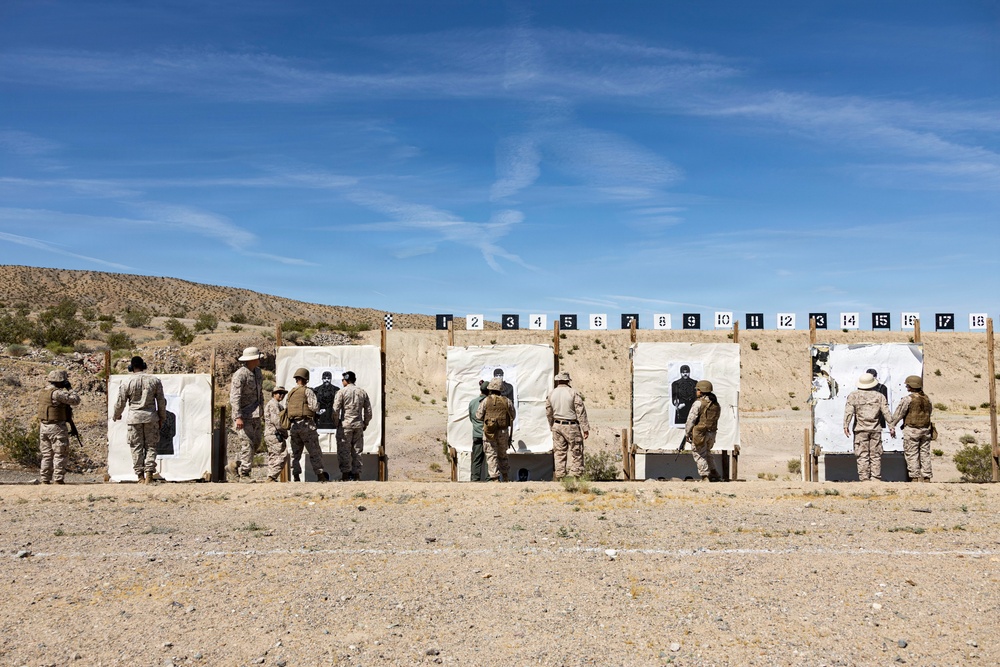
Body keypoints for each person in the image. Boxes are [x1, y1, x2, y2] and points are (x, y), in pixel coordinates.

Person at [113, 356, 167, 484]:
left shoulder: (127, 382)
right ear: (143, 365)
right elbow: (161, 402)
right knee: (151, 446)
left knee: (136, 447)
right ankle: (149, 472)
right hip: (151, 418)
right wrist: (162, 417)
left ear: (131, 367)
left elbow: (120, 402)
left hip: (134, 419)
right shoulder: (154, 381)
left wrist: (116, 415)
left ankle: (140, 476)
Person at [844, 372, 895, 481]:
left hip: (860, 430)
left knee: (862, 455)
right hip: (875, 429)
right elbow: (886, 412)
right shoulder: (879, 396)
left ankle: (864, 479)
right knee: (875, 455)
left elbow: (849, 412)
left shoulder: (853, 395)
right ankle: (875, 478)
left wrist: (846, 425)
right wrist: (891, 426)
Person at [286, 368, 330, 482]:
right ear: (306, 379)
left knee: (296, 454)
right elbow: (314, 407)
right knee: (314, 451)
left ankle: (296, 476)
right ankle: (320, 475)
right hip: (306, 425)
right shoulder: (307, 391)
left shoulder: (290, 393)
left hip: (294, 426)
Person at [37, 369, 80, 485]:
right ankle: (58, 479)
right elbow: (76, 400)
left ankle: (45, 479)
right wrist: (70, 388)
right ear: (60, 381)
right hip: (56, 427)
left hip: (44, 427)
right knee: (60, 453)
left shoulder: (42, 392)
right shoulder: (57, 393)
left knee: (46, 455)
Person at [545, 371, 590, 480]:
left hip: (557, 425)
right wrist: (585, 428)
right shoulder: (572, 393)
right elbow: (580, 411)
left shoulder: (551, 394)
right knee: (576, 451)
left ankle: (560, 477)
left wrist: (552, 425)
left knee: (559, 453)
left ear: (558, 380)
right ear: (567, 380)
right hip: (571, 426)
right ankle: (576, 476)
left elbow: (548, 412)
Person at [228, 347, 264, 481]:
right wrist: (238, 417)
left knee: (256, 443)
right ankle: (245, 474)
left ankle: (235, 464)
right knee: (247, 444)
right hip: (243, 415)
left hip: (255, 415)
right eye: (258, 357)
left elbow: (260, 393)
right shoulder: (240, 374)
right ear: (252, 359)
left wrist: (262, 411)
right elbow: (235, 397)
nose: (260, 359)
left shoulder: (258, 372)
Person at [890, 375, 934, 482]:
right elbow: (930, 412)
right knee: (925, 453)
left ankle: (914, 477)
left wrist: (892, 425)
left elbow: (899, 414)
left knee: (912, 453)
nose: (906, 386)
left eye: (908, 385)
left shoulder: (908, 399)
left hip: (912, 430)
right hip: (926, 430)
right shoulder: (927, 398)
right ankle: (927, 477)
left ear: (911, 386)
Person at [333, 370, 372, 480]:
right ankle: (357, 476)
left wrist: (337, 423)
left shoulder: (341, 392)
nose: (342, 382)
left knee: (344, 451)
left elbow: (335, 410)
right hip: (358, 426)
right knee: (357, 451)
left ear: (346, 379)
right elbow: (368, 411)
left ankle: (345, 476)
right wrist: (365, 423)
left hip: (345, 426)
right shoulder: (362, 392)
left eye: (343, 380)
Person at [475, 378, 516, 482]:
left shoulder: (485, 401)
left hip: (489, 432)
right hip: (503, 432)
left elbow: (478, 416)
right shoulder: (507, 401)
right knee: (503, 454)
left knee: (491, 454)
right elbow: (513, 416)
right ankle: (506, 476)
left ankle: (495, 478)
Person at [685, 380, 722, 482]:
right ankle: (714, 473)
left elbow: (691, 420)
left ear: (701, 391)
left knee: (699, 454)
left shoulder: (698, 403)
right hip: (712, 433)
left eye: (697, 390)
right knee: (707, 453)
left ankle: (705, 476)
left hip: (700, 433)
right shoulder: (715, 404)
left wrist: (687, 433)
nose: (696, 392)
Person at [263, 386, 289, 482]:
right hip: (275, 434)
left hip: (270, 434)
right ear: (274, 394)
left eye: (283, 394)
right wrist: (284, 432)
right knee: (283, 455)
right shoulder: (274, 405)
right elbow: (277, 422)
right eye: (279, 393)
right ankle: (272, 476)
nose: (282, 395)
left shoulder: (276, 405)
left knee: (273, 456)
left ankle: (271, 477)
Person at [468, 380, 489, 481]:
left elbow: (471, 418)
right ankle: (490, 480)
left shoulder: (472, 402)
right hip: (489, 435)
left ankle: (474, 480)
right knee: (489, 459)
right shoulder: (490, 403)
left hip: (477, 434)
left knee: (476, 460)